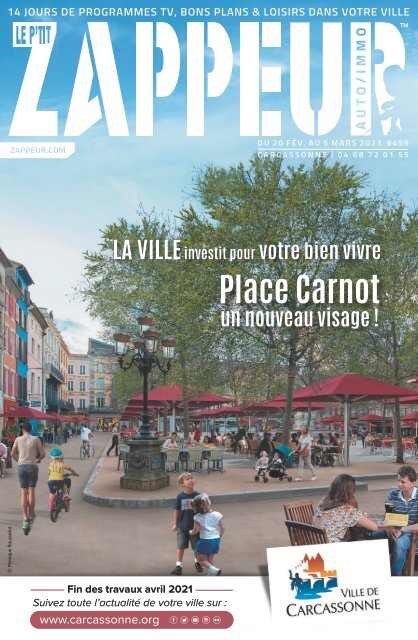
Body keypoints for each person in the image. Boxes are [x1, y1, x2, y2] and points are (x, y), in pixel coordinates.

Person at [372, 466, 418, 576]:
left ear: (413, 483)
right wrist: (390, 529)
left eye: (403, 482)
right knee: (371, 536)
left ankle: (394, 578)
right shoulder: (393, 494)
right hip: (395, 529)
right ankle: (374, 573)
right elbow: (389, 515)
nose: (399, 484)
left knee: (400, 543)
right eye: (398, 480)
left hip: (413, 532)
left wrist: (402, 530)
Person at [314, 474, 379, 542]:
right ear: (350, 491)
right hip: (332, 548)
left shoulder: (323, 501)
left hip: (314, 543)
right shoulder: (348, 510)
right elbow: (374, 527)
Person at [11, 422, 45, 531]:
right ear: (31, 429)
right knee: (31, 492)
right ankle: (31, 515)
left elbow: (12, 454)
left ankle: (25, 517)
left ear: (22, 430)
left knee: (23, 492)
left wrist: (19, 461)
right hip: (32, 467)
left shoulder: (18, 439)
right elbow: (43, 453)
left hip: (22, 467)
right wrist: (38, 460)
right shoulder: (36, 439)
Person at [171, 472, 203, 576]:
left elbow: (202, 511)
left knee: (196, 547)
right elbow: (177, 510)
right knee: (180, 546)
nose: (191, 480)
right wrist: (175, 524)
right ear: (182, 484)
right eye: (188, 479)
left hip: (195, 527)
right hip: (182, 526)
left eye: (192, 478)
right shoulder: (180, 496)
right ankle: (178, 566)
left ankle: (197, 562)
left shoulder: (198, 496)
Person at [189, 493, 225, 576]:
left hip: (205, 540)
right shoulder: (217, 514)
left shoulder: (197, 517)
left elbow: (195, 530)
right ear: (208, 503)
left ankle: (214, 570)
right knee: (210, 557)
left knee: (200, 559)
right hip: (216, 539)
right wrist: (219, 536)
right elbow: (222, 528)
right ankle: (211, 575)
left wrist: (190, 532)